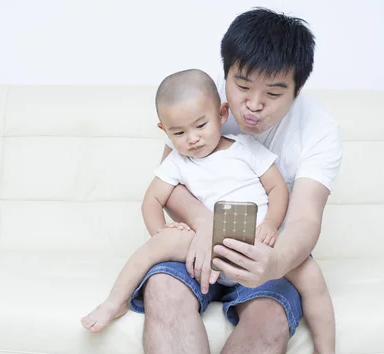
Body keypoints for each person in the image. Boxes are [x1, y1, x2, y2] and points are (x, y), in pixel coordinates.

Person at [134, 8, 342, 354]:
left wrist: (274, 263)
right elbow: (169, 182)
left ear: (298, 88)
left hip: (265, 252)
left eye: (274, 94)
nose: (253, 105)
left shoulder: (319, 130)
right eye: (242, 87)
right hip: (193, 249)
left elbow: (306, 218)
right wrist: (205, 224)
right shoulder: (200, 100)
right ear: (226, 73)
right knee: (163, 289)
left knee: (270, 316)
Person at [81, 68, 289, 332]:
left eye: (201, 125)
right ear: (164, 131)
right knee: (157, 246)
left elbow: (278, 188)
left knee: (304, 269)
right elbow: (151, 201)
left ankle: (325, 346)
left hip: (252, 243)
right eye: (178, 133)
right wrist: (162, 233)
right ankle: (115, 301)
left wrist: (271, 224)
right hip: (202, 248)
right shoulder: (177, 162)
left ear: (222, 114)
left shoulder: (245, 149)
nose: (192, 139)